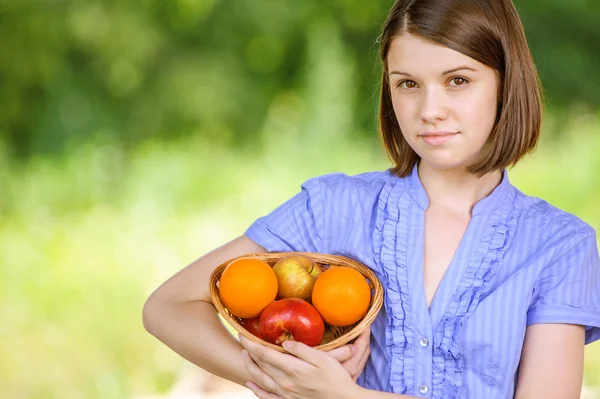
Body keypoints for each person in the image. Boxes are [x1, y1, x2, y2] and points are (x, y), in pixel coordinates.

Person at [142, 0, 600, 398]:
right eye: (408, 84)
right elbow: (168, 308)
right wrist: (288, 381)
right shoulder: (332, 207)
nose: (429, 110)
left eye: (458, 81)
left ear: (506, 82)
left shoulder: (558, 246)